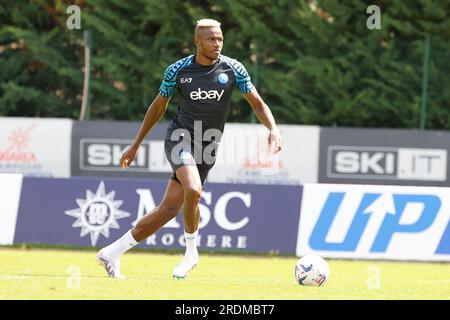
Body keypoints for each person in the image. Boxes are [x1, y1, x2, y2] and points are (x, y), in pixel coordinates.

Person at [96, 18, 283, 279]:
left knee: (169, 209)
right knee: (193, 190)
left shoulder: (234, 69)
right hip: (180, 138)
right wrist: (136, 144)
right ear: (197, 41)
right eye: (211, 39)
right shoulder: (178, 71)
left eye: (220, 39)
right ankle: (191, 253)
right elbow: (158, 107)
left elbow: (258, 103)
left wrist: (273, 129)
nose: (217, 43)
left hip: (208, 148)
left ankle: (111, 252)